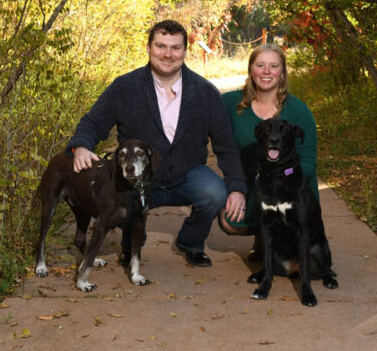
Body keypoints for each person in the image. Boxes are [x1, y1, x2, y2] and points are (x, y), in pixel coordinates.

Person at [66, 20, 248, 267]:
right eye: (161, 46)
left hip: (187, 175)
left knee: (214, 193)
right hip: (137, 178)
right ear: (149, 48)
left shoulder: (204, 92)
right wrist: (81, 146)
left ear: (185, 51)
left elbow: (226, 146)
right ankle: (131, 244)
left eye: (175, 48)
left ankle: (191, 242)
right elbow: (93, 122)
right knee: (115, 195)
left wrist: (237, 187)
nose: (168, 54)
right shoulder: (125, 87)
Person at [219, 44, 319, 261]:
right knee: (229, 220)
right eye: (260, 65)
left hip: (291, 189)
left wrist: (279, 184)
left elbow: (309, 163)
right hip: (251, 184)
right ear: (251, 69)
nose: (266, 72)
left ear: (282, 73)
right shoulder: (230, 103)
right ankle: (262, 238)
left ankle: (281, 238)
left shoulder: (298, 111)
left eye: (273, 66)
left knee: (290, 265)